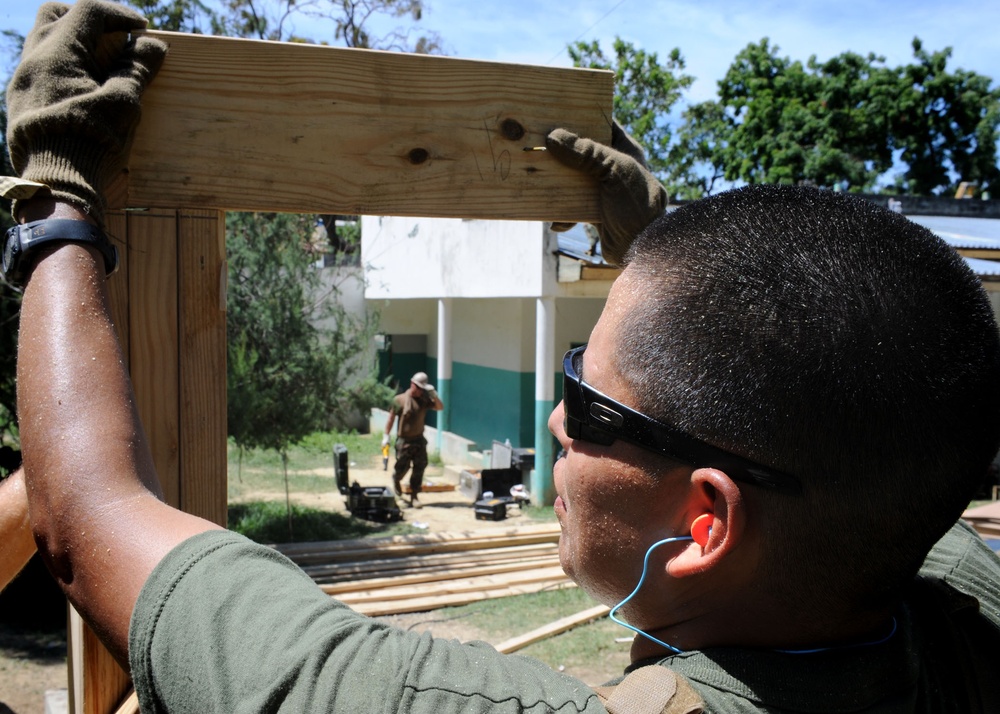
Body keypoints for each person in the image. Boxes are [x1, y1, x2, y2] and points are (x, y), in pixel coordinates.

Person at [7, 2, 1000, 712]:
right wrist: (656, 247)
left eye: (587, 400)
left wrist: (57, 199)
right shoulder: (957, 604)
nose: (558, 419)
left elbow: (86, 514)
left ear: (705, 521)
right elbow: (851, 409)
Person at [383, 372, 443, 507]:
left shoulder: (424, 400)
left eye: (423, 389)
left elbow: (440, 407)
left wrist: (434, 396)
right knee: (402, 467)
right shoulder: (400, 400)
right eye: (419, 388)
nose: (420, 391)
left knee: (419, 467)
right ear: (412, 385)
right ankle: (396, 478)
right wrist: (386, 436)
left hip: (419, 440)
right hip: (404, 441)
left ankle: (414, 496)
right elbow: (391, 419)